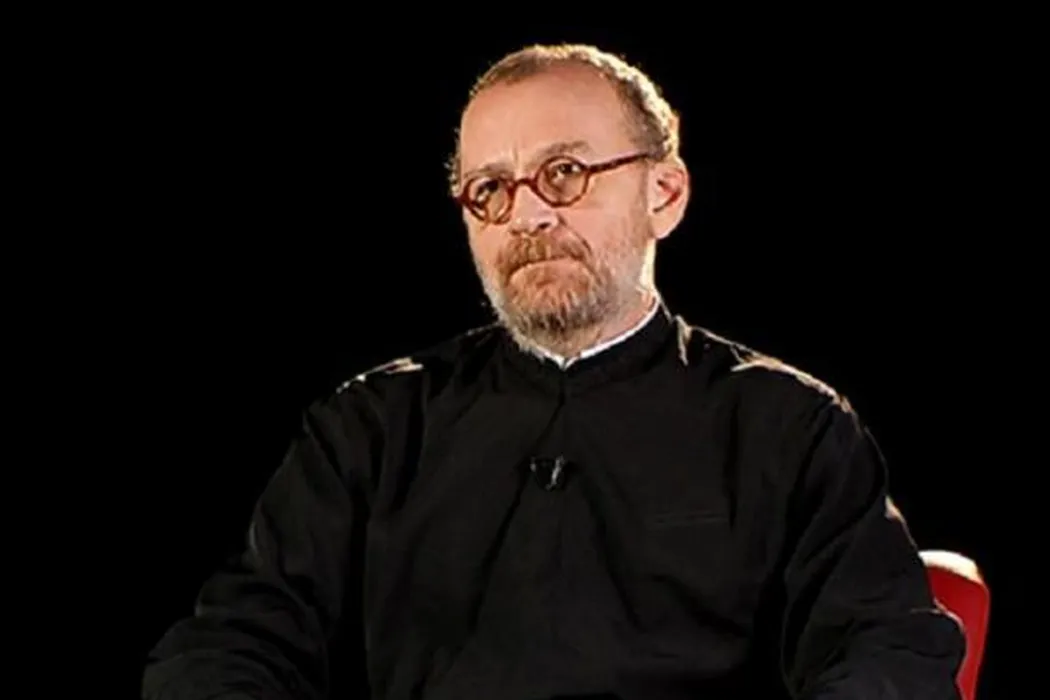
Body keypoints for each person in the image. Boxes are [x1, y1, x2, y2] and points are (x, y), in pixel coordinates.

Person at [142, 43, 966, 699]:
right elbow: (234, 643)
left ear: (665, 194)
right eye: (490, 190)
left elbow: (888, 650)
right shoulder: (371, 427)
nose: (528, 214)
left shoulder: (789, 425)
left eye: (564, 174)